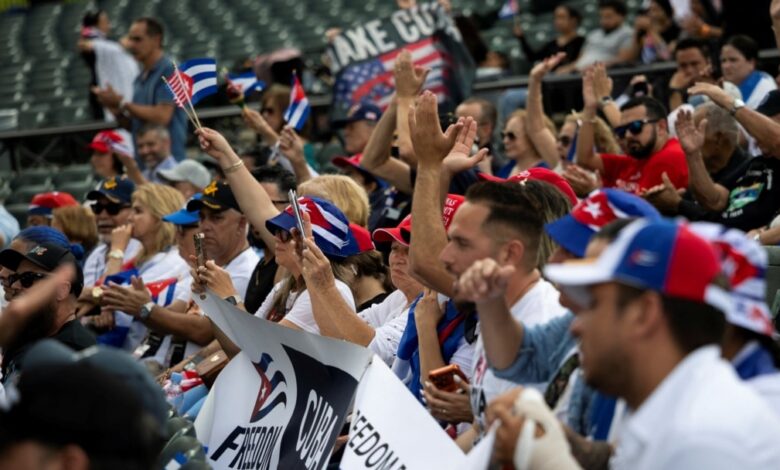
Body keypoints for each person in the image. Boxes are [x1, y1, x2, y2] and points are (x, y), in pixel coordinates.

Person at [534, 219, 780, 468]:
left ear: (644, 314)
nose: (575, 325)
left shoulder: (703, 438)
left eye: (594, 304)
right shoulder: (672, 405)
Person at [94, 184, 189, 363]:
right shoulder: (145, 258)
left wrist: (117, 250)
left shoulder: (173, 260)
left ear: (160, 215)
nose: (130, 218)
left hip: (148, 361)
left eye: (138, 211)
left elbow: (108, 295)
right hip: (130, 353)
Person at [676, 83, 780, 234]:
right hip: (724, 241)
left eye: (765, 123)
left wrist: (726, 101)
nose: (755, 134)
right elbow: (713, 200)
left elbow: (776, 140)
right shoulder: (755, 164)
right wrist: (693, 154)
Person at [92, 17, 187, 160]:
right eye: (130, 39)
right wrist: (116, 110)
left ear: (156, 39)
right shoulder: (139, 77)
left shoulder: (170, 69)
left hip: (169, 165)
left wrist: (122, 104)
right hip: (145, 164)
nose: (131, 45)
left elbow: (162, 117)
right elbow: (135, 127)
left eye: (137, 39)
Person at [0, 242, 95, 382]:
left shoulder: (76, 352)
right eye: (15, 278)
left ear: (62, 290)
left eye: (28, 279)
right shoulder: (25, 333)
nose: (14, 285)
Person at [577, 76, 688, 195]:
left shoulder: (670, 156)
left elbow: (637, 209)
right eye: (621, 131)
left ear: (661, 127)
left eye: (636, 126)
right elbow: (585, 159)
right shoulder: (637, 157)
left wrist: (596, 192)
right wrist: (589, 109)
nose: (628, 135)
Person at [643, 103, 749, 218]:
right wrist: (662, 201)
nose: (685, 140)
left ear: (718, 139)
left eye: (693, 132)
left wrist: (678, 204)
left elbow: (724, 220)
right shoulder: (705, 169)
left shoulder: (748, 172)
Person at [78, 9, 139, 123]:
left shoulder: (106, 41)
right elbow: (84, 46)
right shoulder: (91, 41)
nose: (108, 25)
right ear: (96, 24)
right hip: (102, 88)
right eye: (105, 21)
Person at [81, 176, 142, 288]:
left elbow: (108, 295)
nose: (102, 216)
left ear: (134, 211)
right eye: (97, 208)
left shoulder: (142, 251)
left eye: (113, 208)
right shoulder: (96, 254)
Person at [513, 5, 584, 71]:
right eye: (556, 18)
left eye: (561, 17)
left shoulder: (582, 42)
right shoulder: (552, 44)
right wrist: (521, 38)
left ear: (573, 20)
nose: (557, 21)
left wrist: (569, 68)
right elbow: (533, 57)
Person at [569, 0, 633, 72]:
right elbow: (579, 60)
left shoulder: (627, 34)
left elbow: (624, 60)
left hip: (605, 74)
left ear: (621, 16)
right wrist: (566, 69)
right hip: (578, 73)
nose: (604, 20)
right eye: (602, 16)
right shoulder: (593, 34)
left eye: (608, 16)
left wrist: (595, 67)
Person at [721, 35, 777, 110]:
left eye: (733, 60)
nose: (726, 66)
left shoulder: (765, 88)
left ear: (751, 63)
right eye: (723, 60)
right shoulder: (723, 85)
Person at [626, 0, 680, 65]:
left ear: (666, 11)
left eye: (656, 10)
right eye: (650, 10)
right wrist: (636, 31)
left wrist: (651, 30)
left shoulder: (677, 31)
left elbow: (665, 55)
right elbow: (631, 58)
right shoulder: (643, 31)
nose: (651, 14)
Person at [667, 38, 713, 112]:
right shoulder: (665, 89)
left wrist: (675, 93)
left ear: (708, 62)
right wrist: (674, 91)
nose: (689, 70)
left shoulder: (722, 87)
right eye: (683, 65)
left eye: (694, 64)